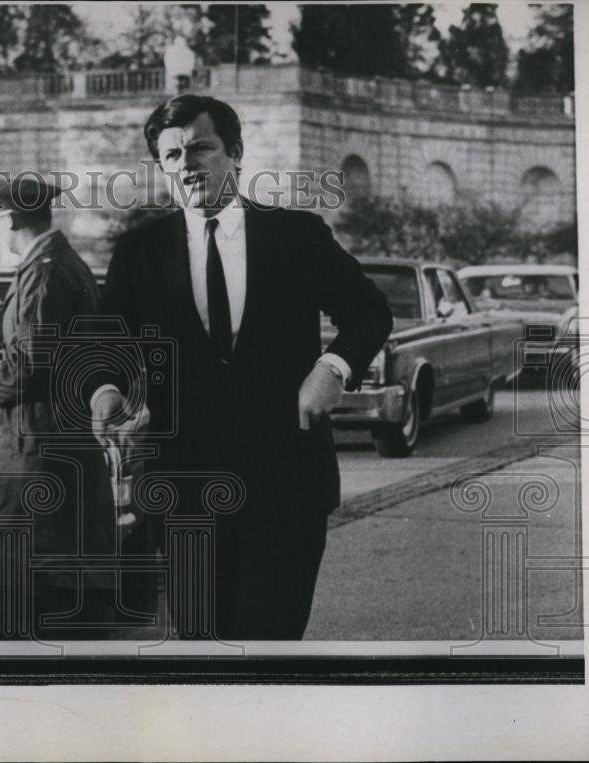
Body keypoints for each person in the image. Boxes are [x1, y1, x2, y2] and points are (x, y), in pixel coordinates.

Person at [91, 95, 393, 640]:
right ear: (162, 167)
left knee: (268, 647)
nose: (187, 164)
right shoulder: (139, 251)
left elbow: (370, 311)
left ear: (235, 154)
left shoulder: (296, 236)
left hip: (285, 489)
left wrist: (333, 366)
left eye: (201, 148)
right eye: (172, 155)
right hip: (185, 492)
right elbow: (105, 341)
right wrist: (107, 388)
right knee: (203, 647)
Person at [0, 175, 117, 640]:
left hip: (34, 453)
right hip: (49, 446)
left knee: (19, 601)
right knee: (47, 596)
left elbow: (30, 367)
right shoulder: (61, 264)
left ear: (10, 217)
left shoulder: (44, 271)